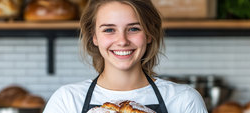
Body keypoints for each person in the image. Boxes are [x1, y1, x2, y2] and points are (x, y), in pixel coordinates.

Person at [43, 0, 208, 113]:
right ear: (94, 37)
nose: (122, 41)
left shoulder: (183, 100)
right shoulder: (67, 101)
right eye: (109, 29)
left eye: (134, 29)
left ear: (149, 34)